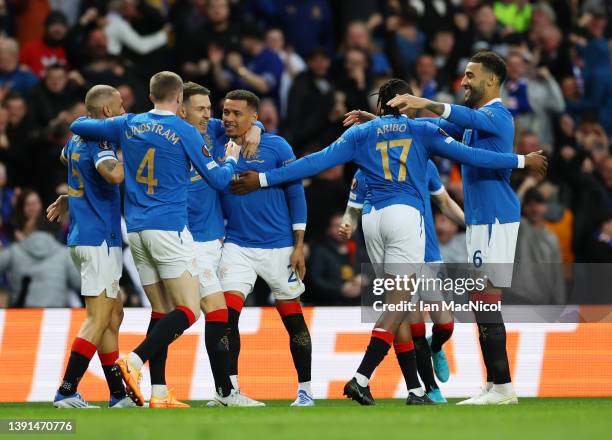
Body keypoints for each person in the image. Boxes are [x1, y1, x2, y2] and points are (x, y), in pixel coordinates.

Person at [230, 78, 546, 406]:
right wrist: (521, 161)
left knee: (399, 305)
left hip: (374, 220)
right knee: (400, 302)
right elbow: (473, 155)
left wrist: (264, 178)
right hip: (404, 215)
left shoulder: (361, 133)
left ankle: (410, 387)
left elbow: (316, 161)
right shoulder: (421, 131)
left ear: (380, 107)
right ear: (403, 102)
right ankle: (363, 377)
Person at [69, 71, 240, 407]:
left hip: (135, 232)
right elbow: (219, 179)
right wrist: (231, 158)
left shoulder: (127, 123)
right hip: (168, 229)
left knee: (161, 310)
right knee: (189, 309)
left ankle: (159, 393)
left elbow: (79, 125)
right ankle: (133, 361)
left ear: (150, 94)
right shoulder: (183, 131)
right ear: (179, 99)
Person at [386, 50, 532, 405]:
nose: (464, 81)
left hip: (495, 217)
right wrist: (381, 123)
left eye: (470, 75)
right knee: (480, 301)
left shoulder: (498, 116)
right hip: (481, 219)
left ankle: (503, 388)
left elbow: (456, 114)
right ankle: (495, 383)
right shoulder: (474, 122)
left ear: (491, 81)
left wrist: (425, 100)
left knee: (485, 301)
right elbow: (433, 130)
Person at [215, 89, 313, 407]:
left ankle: (305, 390)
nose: (228, 118)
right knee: (227, 318)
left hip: (279, 246)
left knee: (293, 320)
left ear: (254, 117)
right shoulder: (216, 141)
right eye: (225, 112)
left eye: (236, 113)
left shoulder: (277, 146)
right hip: (236, 245)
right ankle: (230, 391)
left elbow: (296, 191)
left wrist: (299, 244)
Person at [339, 162, 463, 404]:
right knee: (406, 318)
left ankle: (434, 348)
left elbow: (444, 201)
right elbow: (352, 209)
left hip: (428, 253)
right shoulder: (365, 170)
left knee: (444, 325)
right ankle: (424, 388)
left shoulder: (422, 162)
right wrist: (348, 225)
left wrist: (470, 223)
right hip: (395, 250)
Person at [177, 81, 263, 407]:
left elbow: (241, 120)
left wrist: (255, 128)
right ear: (181, 109)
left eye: (209, 109)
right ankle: (227, 393)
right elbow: (220, 178)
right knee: (214, 315)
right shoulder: (174, 141)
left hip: (214, 240)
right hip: (191, 241)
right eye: (201, 109)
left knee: (188, 315)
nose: (210, 116)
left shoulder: (210, 129)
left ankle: (218, 392)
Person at [46, 84, 132, 408]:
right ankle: (67, 390)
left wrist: (74, 197)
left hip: (83, 235)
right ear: (107, 112)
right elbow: (111, 174)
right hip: (98, 240)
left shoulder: (76, 140)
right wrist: (135, 161)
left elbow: (66, 158)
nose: (124, 111)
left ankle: (118, 394)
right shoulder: (101, 140)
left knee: (113, 313)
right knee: (98, 318)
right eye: (120, 106)